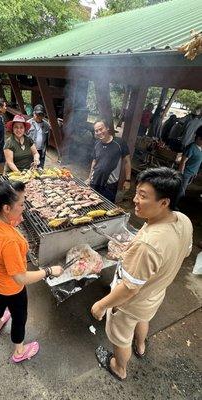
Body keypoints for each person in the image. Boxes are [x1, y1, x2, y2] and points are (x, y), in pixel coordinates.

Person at [91, 167, 193, 381]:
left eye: (143, 196)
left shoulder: (149, 245)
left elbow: (129, 288)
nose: (135, 200)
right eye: (137, 192)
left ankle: (119, 367)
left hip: (131, 302)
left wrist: (102, 305)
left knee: (120, 337)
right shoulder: (183, 220)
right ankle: (141, 346)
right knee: (143, 318)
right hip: (155, 293)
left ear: (164, 202)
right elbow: (185, 251)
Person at [0, 181, 63, 362]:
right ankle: (19, 352)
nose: (24, 208)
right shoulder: (10, 241)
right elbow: (20, 277)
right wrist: (49, 271)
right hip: (12, 287)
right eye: (21, 205)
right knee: (19, 317)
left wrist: (12, 225)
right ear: (7, 208)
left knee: (0, 300)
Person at [86, 120, 131, 203]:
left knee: (107, 206)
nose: (99, 132)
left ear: (107, 128)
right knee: (90, 203)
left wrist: (127, 180)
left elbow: (127, 162)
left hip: (110, 185)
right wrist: (89, 178)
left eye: (101, 129)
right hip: (95, 181)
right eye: (96, 131)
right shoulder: (96, 143)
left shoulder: (120, 143)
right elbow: (94, 162)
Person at [177, 126, 202, 205]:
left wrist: (195, 173)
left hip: (191, 173)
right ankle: (175, 206)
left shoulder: (200, 148)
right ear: (199, 138)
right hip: (185, 174)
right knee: (181, 191)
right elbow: (182, 162)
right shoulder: (191, 147)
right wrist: (180, 174)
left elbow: (197, 163)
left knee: (182, 190)